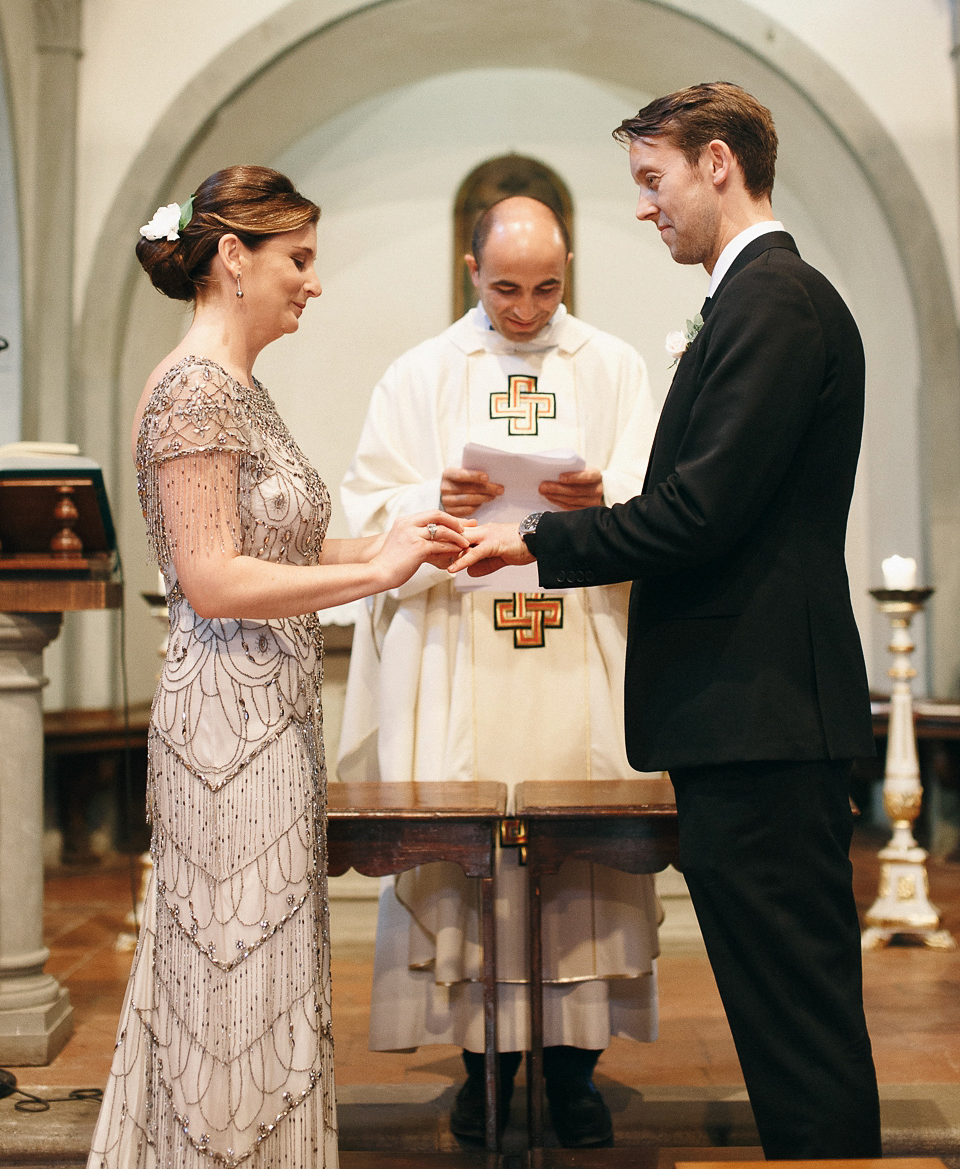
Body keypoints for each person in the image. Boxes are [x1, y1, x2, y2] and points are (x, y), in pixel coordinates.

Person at [449, 84, 883, 1160]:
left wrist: (539, 545)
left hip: (764, 717)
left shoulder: (773, 302)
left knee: (799, 1021)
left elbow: (703, 511)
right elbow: (716, 503)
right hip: (753, 717)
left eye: (654, 180)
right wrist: (602, 521)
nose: (646, 209)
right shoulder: (756, 301)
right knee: (787, 1017)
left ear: (719, 163)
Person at [87, 167, 468, 1169]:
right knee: (228, 983)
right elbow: (211, 580)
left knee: (266, 978)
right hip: (223, 734)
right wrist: (376, 571)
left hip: (271, 722)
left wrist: (399, 539)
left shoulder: (241, 392)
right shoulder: (192, 393)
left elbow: (278, 551)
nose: (312, 282)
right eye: (298, 259)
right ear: (232, 258)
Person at [338, 195, 662, 1148]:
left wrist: (604, 496)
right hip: (462, 641)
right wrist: (429, 495)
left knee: (584, 865)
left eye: (548, 288)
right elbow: (369, 502)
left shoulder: (614, 366)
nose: (527, 310)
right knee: (475, 864)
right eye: (508, 288)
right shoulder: (419, 374)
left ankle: (575, 1076)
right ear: (470, 268)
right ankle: (486, 1070)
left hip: (579, 643)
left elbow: (659, 495)